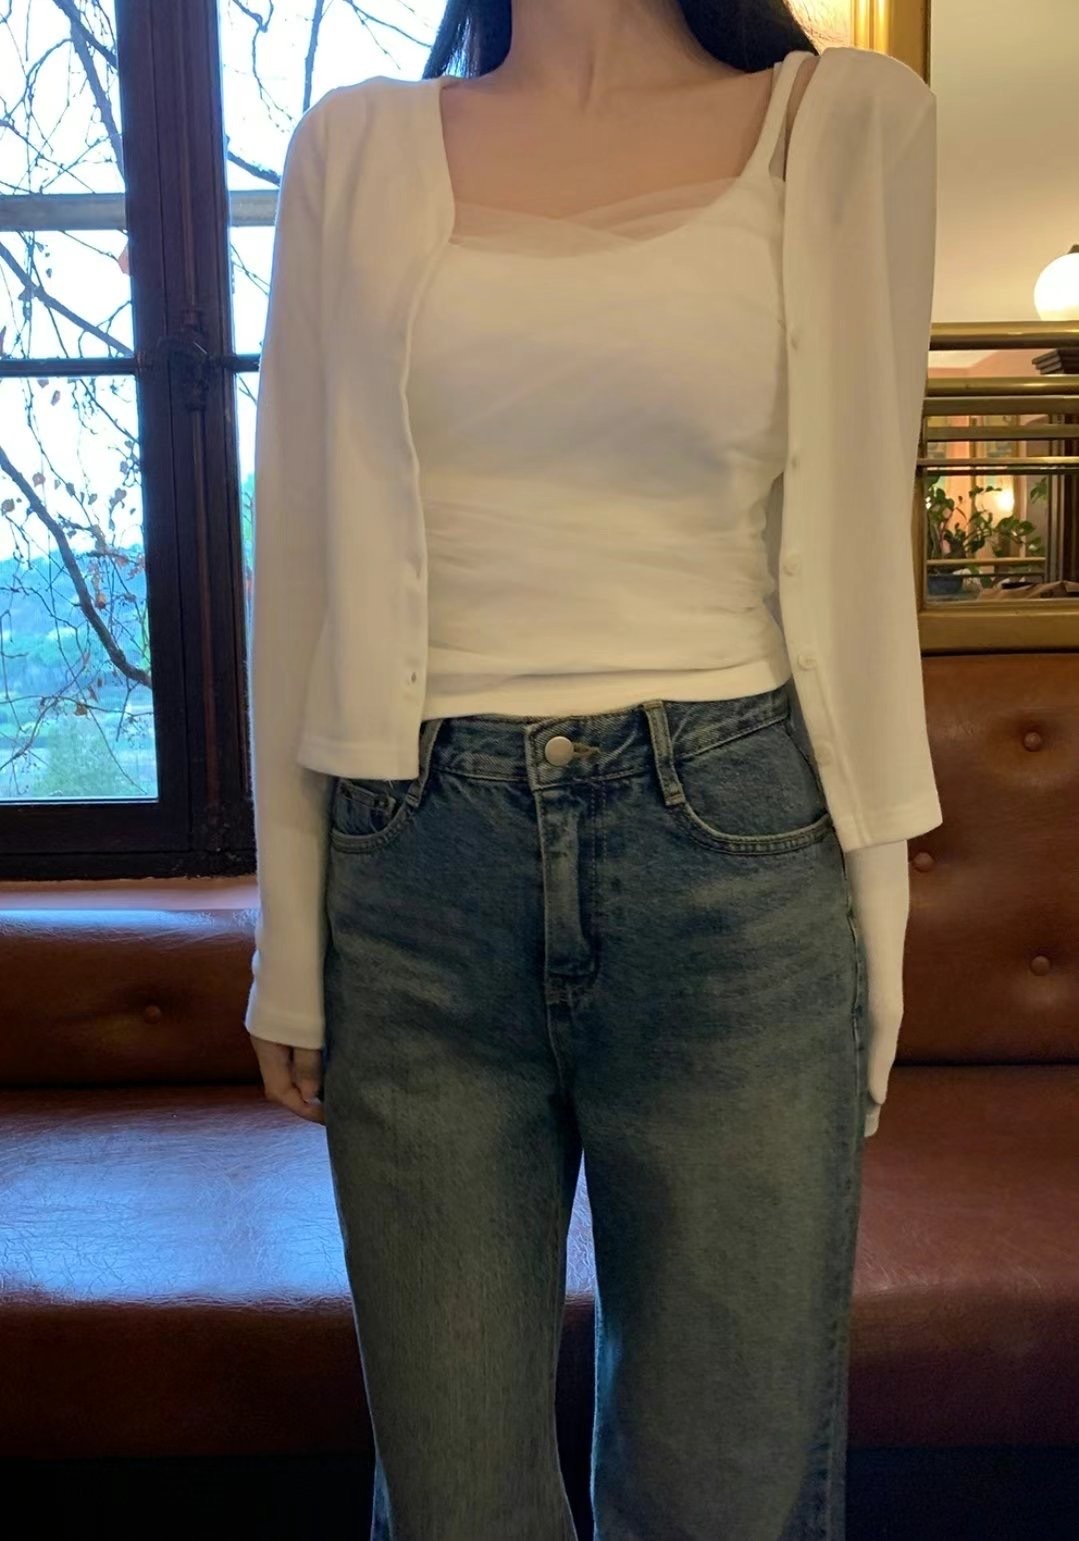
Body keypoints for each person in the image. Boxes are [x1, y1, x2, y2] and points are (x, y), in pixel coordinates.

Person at [246, 1, 943, 1535]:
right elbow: (293, 548)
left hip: (738, 853)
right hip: (414, 867)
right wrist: (288, 937)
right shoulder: (354, 149)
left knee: (727, 1497)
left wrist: (875, 915)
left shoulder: (849, 127)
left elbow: (857, 555)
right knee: (455, 1502)